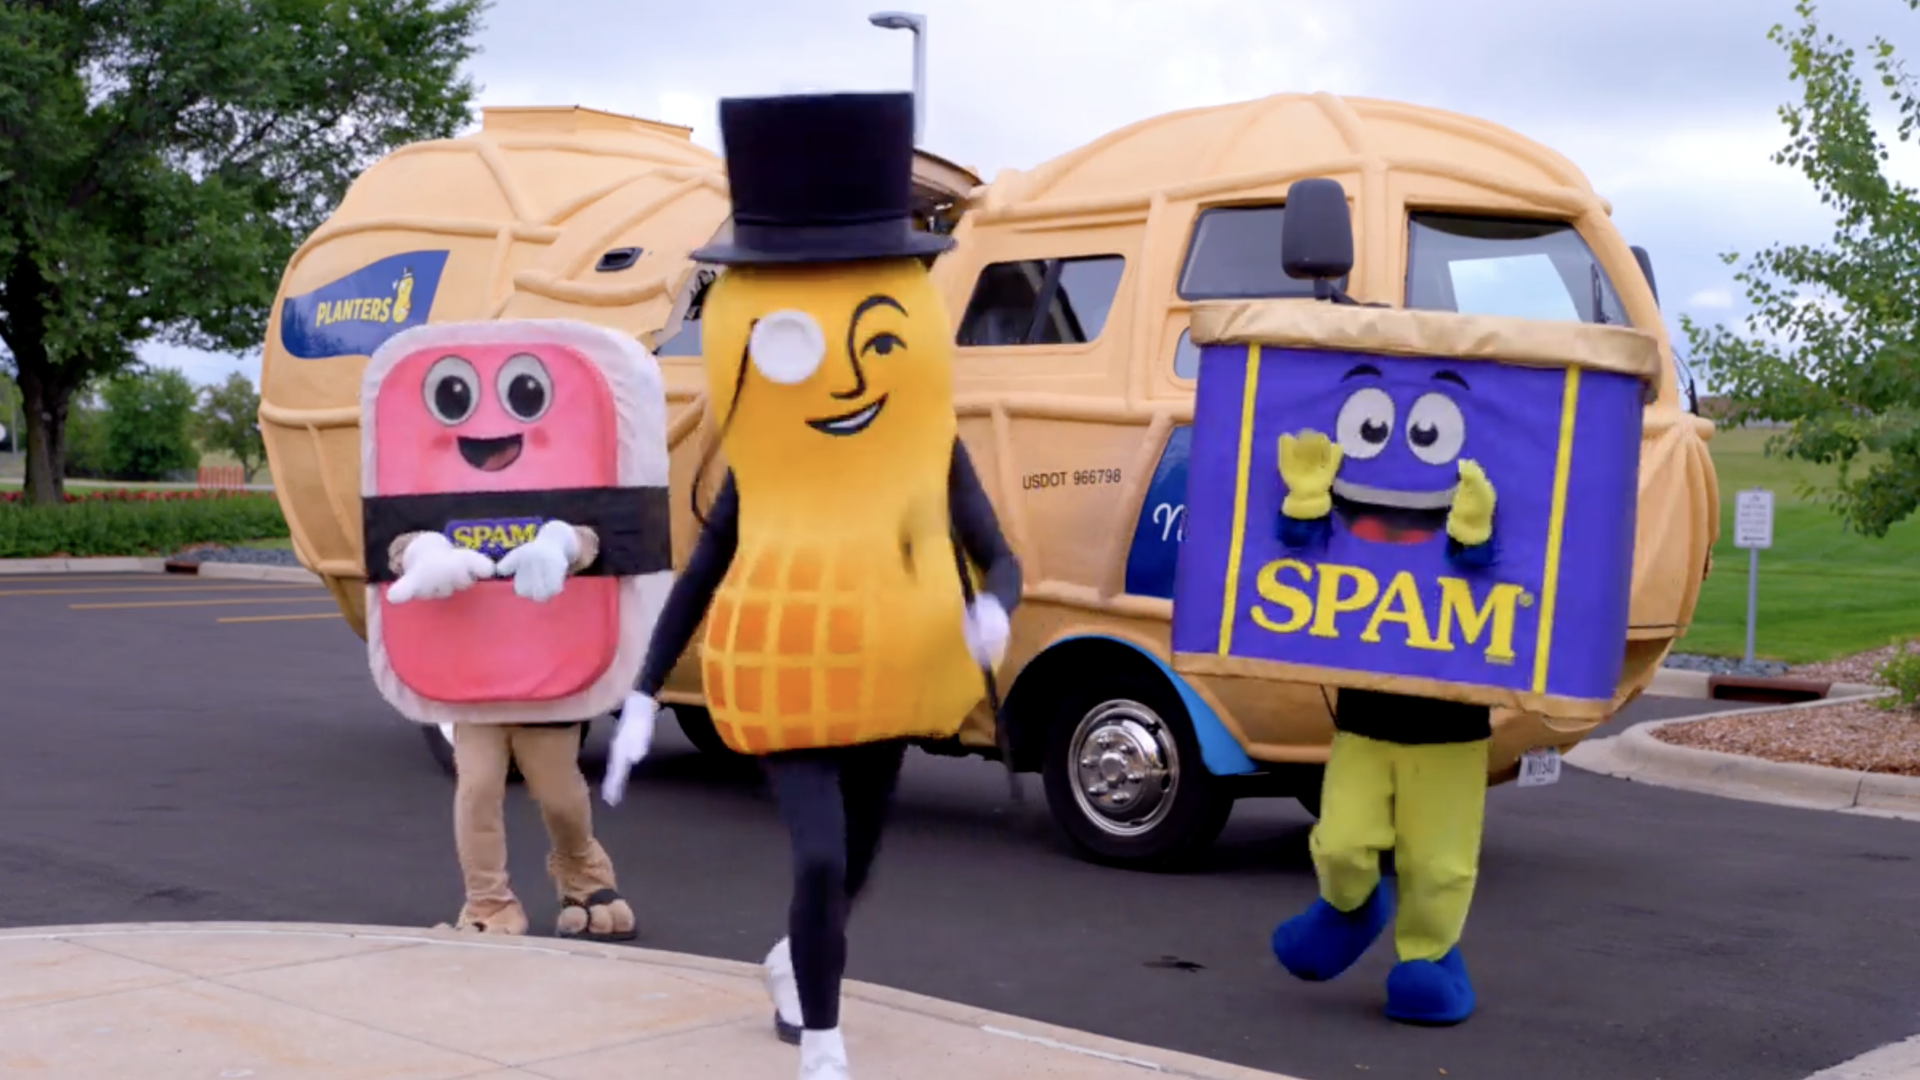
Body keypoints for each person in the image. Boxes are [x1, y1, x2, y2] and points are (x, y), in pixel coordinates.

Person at [600, 91, 1022, 1080]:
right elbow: (706, 567)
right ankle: (824, 1045)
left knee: (854, 862)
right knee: (823, 854)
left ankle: (797, 958)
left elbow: (998, 556)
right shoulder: (768, 463)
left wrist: (993, 610)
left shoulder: (928, 448)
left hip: (887, 677)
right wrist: (643, 693)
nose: (840, 375)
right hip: (784, 677)